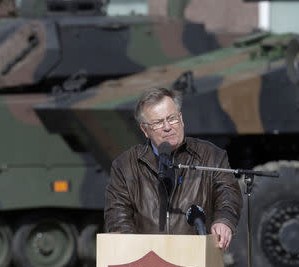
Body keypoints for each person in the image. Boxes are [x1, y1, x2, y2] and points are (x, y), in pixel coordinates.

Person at [104, 87, 242, 250]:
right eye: (158, 123)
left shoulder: (211, 156)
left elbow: (228, 194)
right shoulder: (125, 165)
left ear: (181, 119)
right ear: (145, 130)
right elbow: (118, 216)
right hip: (146, 263)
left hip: (195, 256)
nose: (167, 127)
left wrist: (224, 221)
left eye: (172, 118)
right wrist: (133, 251)